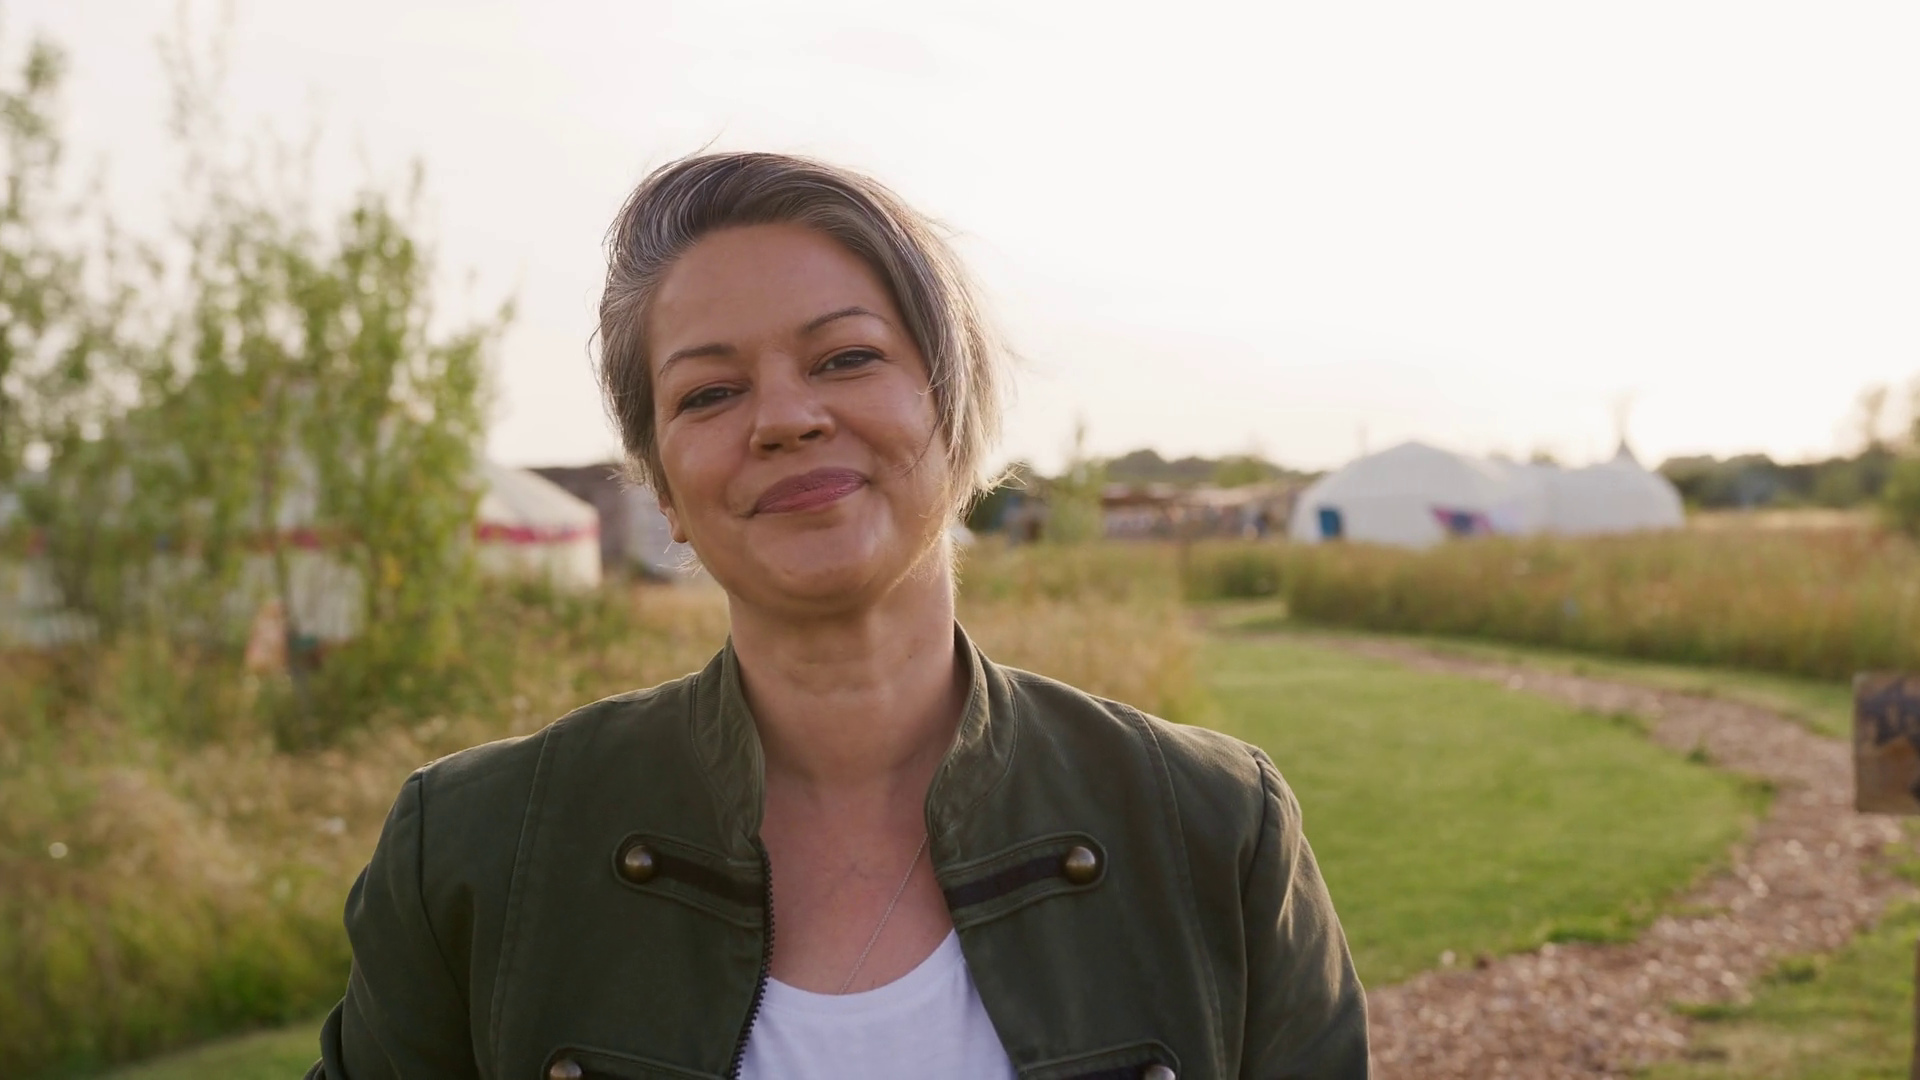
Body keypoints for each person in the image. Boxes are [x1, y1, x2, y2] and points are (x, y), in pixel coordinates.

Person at [309, 151, 1368, 1080]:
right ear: (665, 490)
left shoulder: (1212, 830)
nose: (784, 417)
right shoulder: (475, 853)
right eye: (709, 393)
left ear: (952, 409)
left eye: (846, 358)